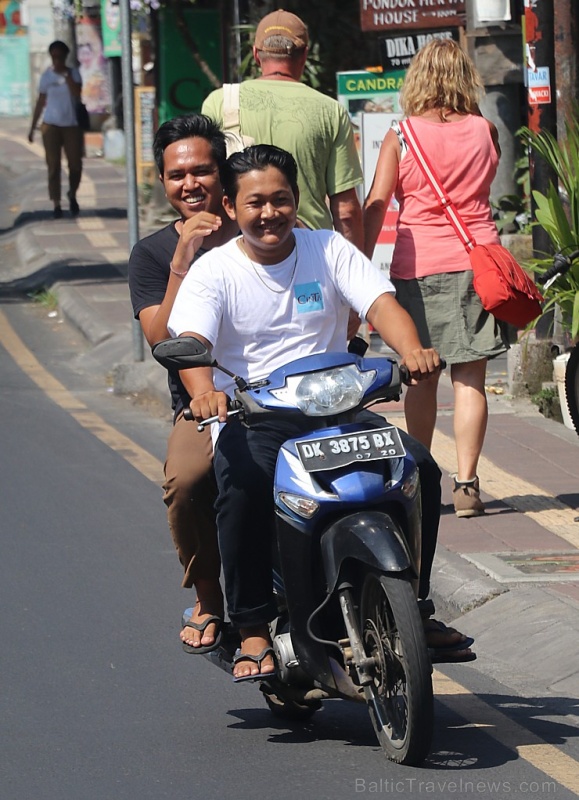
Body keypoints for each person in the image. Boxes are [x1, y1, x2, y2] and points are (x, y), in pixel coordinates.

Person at [167, 144, 475, 679]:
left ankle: (415, 605)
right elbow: (192, 339)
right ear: (233, 208)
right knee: (240, 486)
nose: (269, 214)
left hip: (339, 408)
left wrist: (412, 351)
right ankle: (255, 624)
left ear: (297, 200)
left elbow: (380, 304)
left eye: (281, 200)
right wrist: (203, 392)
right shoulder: (214, 270)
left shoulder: (329, 248)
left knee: (419, 467)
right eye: (256, 203)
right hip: (255, 417)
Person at [363, 39, 509, 518]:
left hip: (418, 265)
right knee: (471, 379)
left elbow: (378, 200)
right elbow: (486, 184)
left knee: (421, 378)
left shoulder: (401, 135)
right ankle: (467, 485)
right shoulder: (485, 130)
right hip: (477, 262)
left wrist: (359, 263)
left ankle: (420, 482)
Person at [128, 114, 239, 652]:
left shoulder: (263, 230)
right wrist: (182, 262)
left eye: (202, 171)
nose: (190, 184)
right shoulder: (151, 253)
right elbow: (158, 335)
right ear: (164, 182)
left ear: (223, 176)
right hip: (205, 404)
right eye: (177, 175)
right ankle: (209, 596)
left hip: (286, 393)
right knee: (188, 482)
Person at [201, 9, 364, 249]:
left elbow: (208, 184)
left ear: (256, 55)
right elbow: (347, 211)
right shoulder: (330, 110)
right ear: (304, 55)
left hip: (239, 251)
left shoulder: (219, 102)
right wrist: (353, 271)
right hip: (310, 251)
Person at [29, 40, 83, 219]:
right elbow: (40, 101)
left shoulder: (74, 73)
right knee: (53, 166)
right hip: (50, 124)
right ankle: (57, 203)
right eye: (54, 56)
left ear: (65, 56)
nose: (57, 60)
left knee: (75, 164)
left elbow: (77, 93)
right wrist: (32, 127)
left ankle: (72, 193)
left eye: (60, 56)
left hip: (71, 125)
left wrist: (66, 76)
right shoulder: (46, 76)